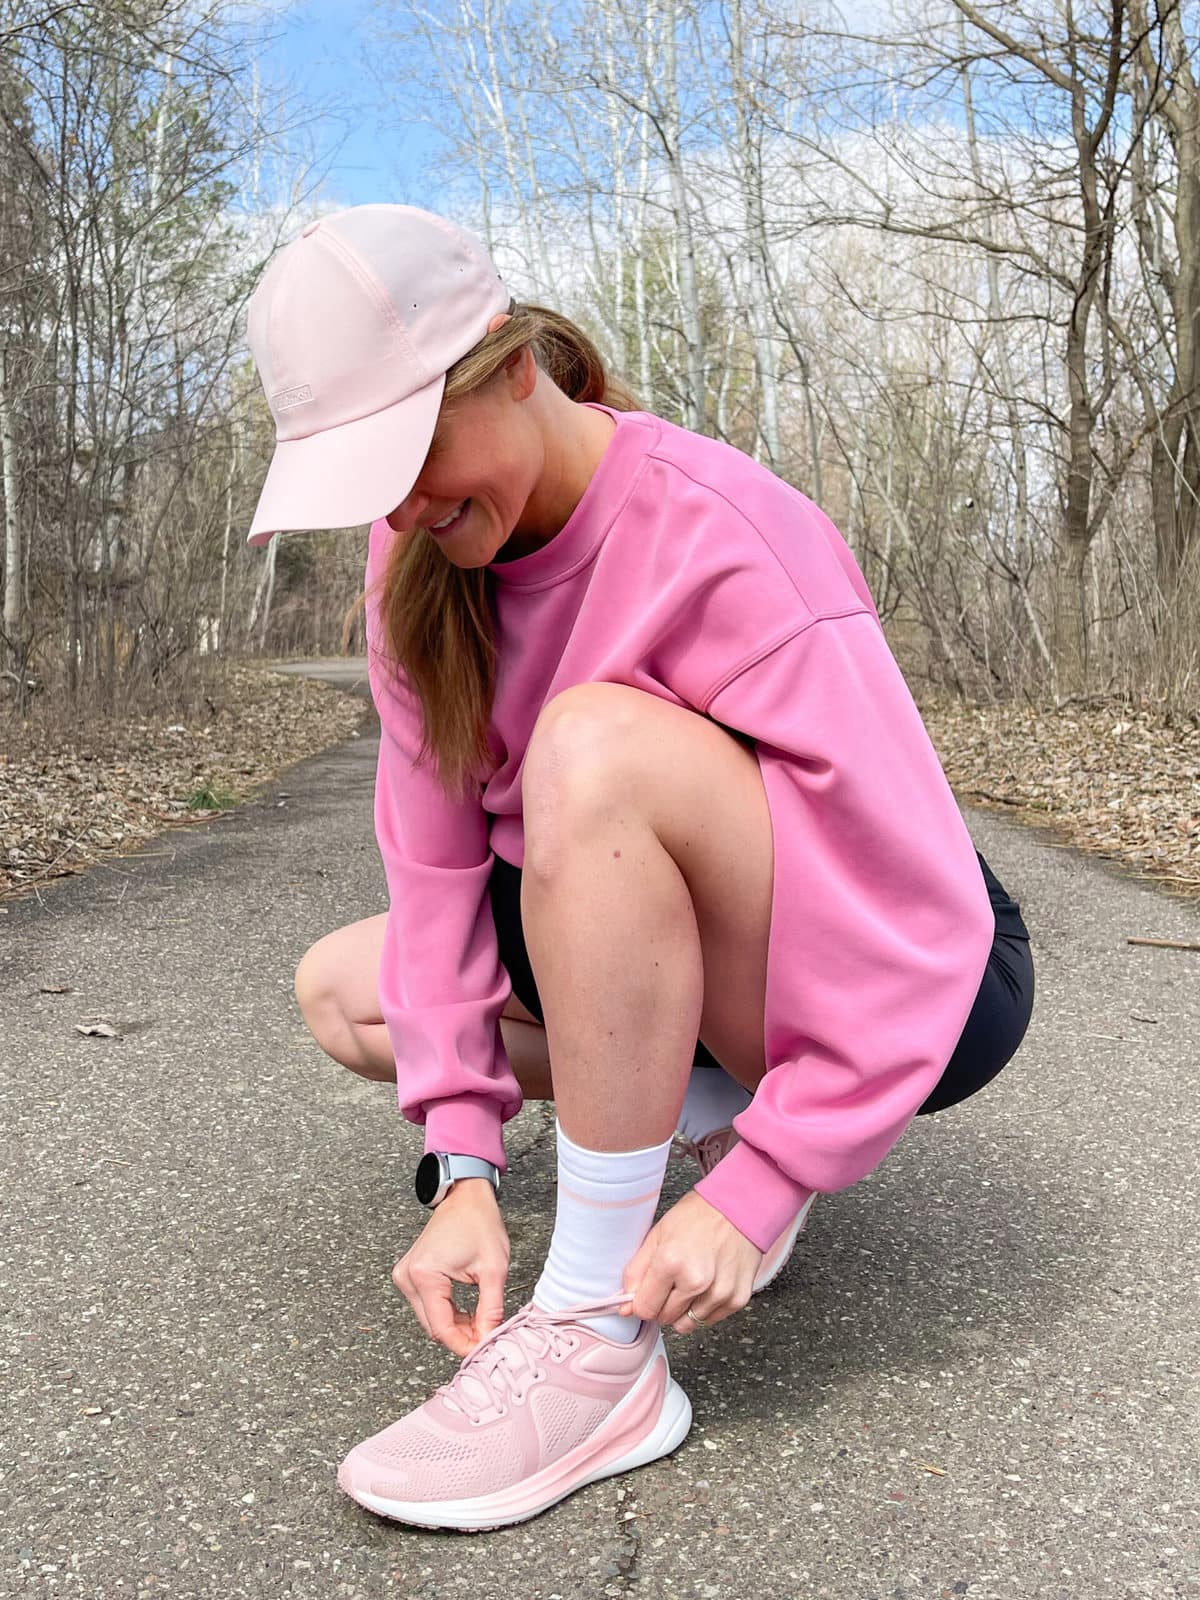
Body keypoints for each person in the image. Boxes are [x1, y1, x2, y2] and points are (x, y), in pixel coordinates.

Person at [245, 203, 1034, 1533]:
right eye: (368, 478)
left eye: (416, 453)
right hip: (684, 946)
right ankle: (705, 1093)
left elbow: (927, 911)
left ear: (510, 364)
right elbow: (437, 879)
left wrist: (772, 1174)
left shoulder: (722, 532)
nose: (407, 508)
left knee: (591, 744)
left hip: (912, 970)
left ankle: (602, 1341)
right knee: (346, 990)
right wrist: (465, 1169)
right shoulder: (414, 567)